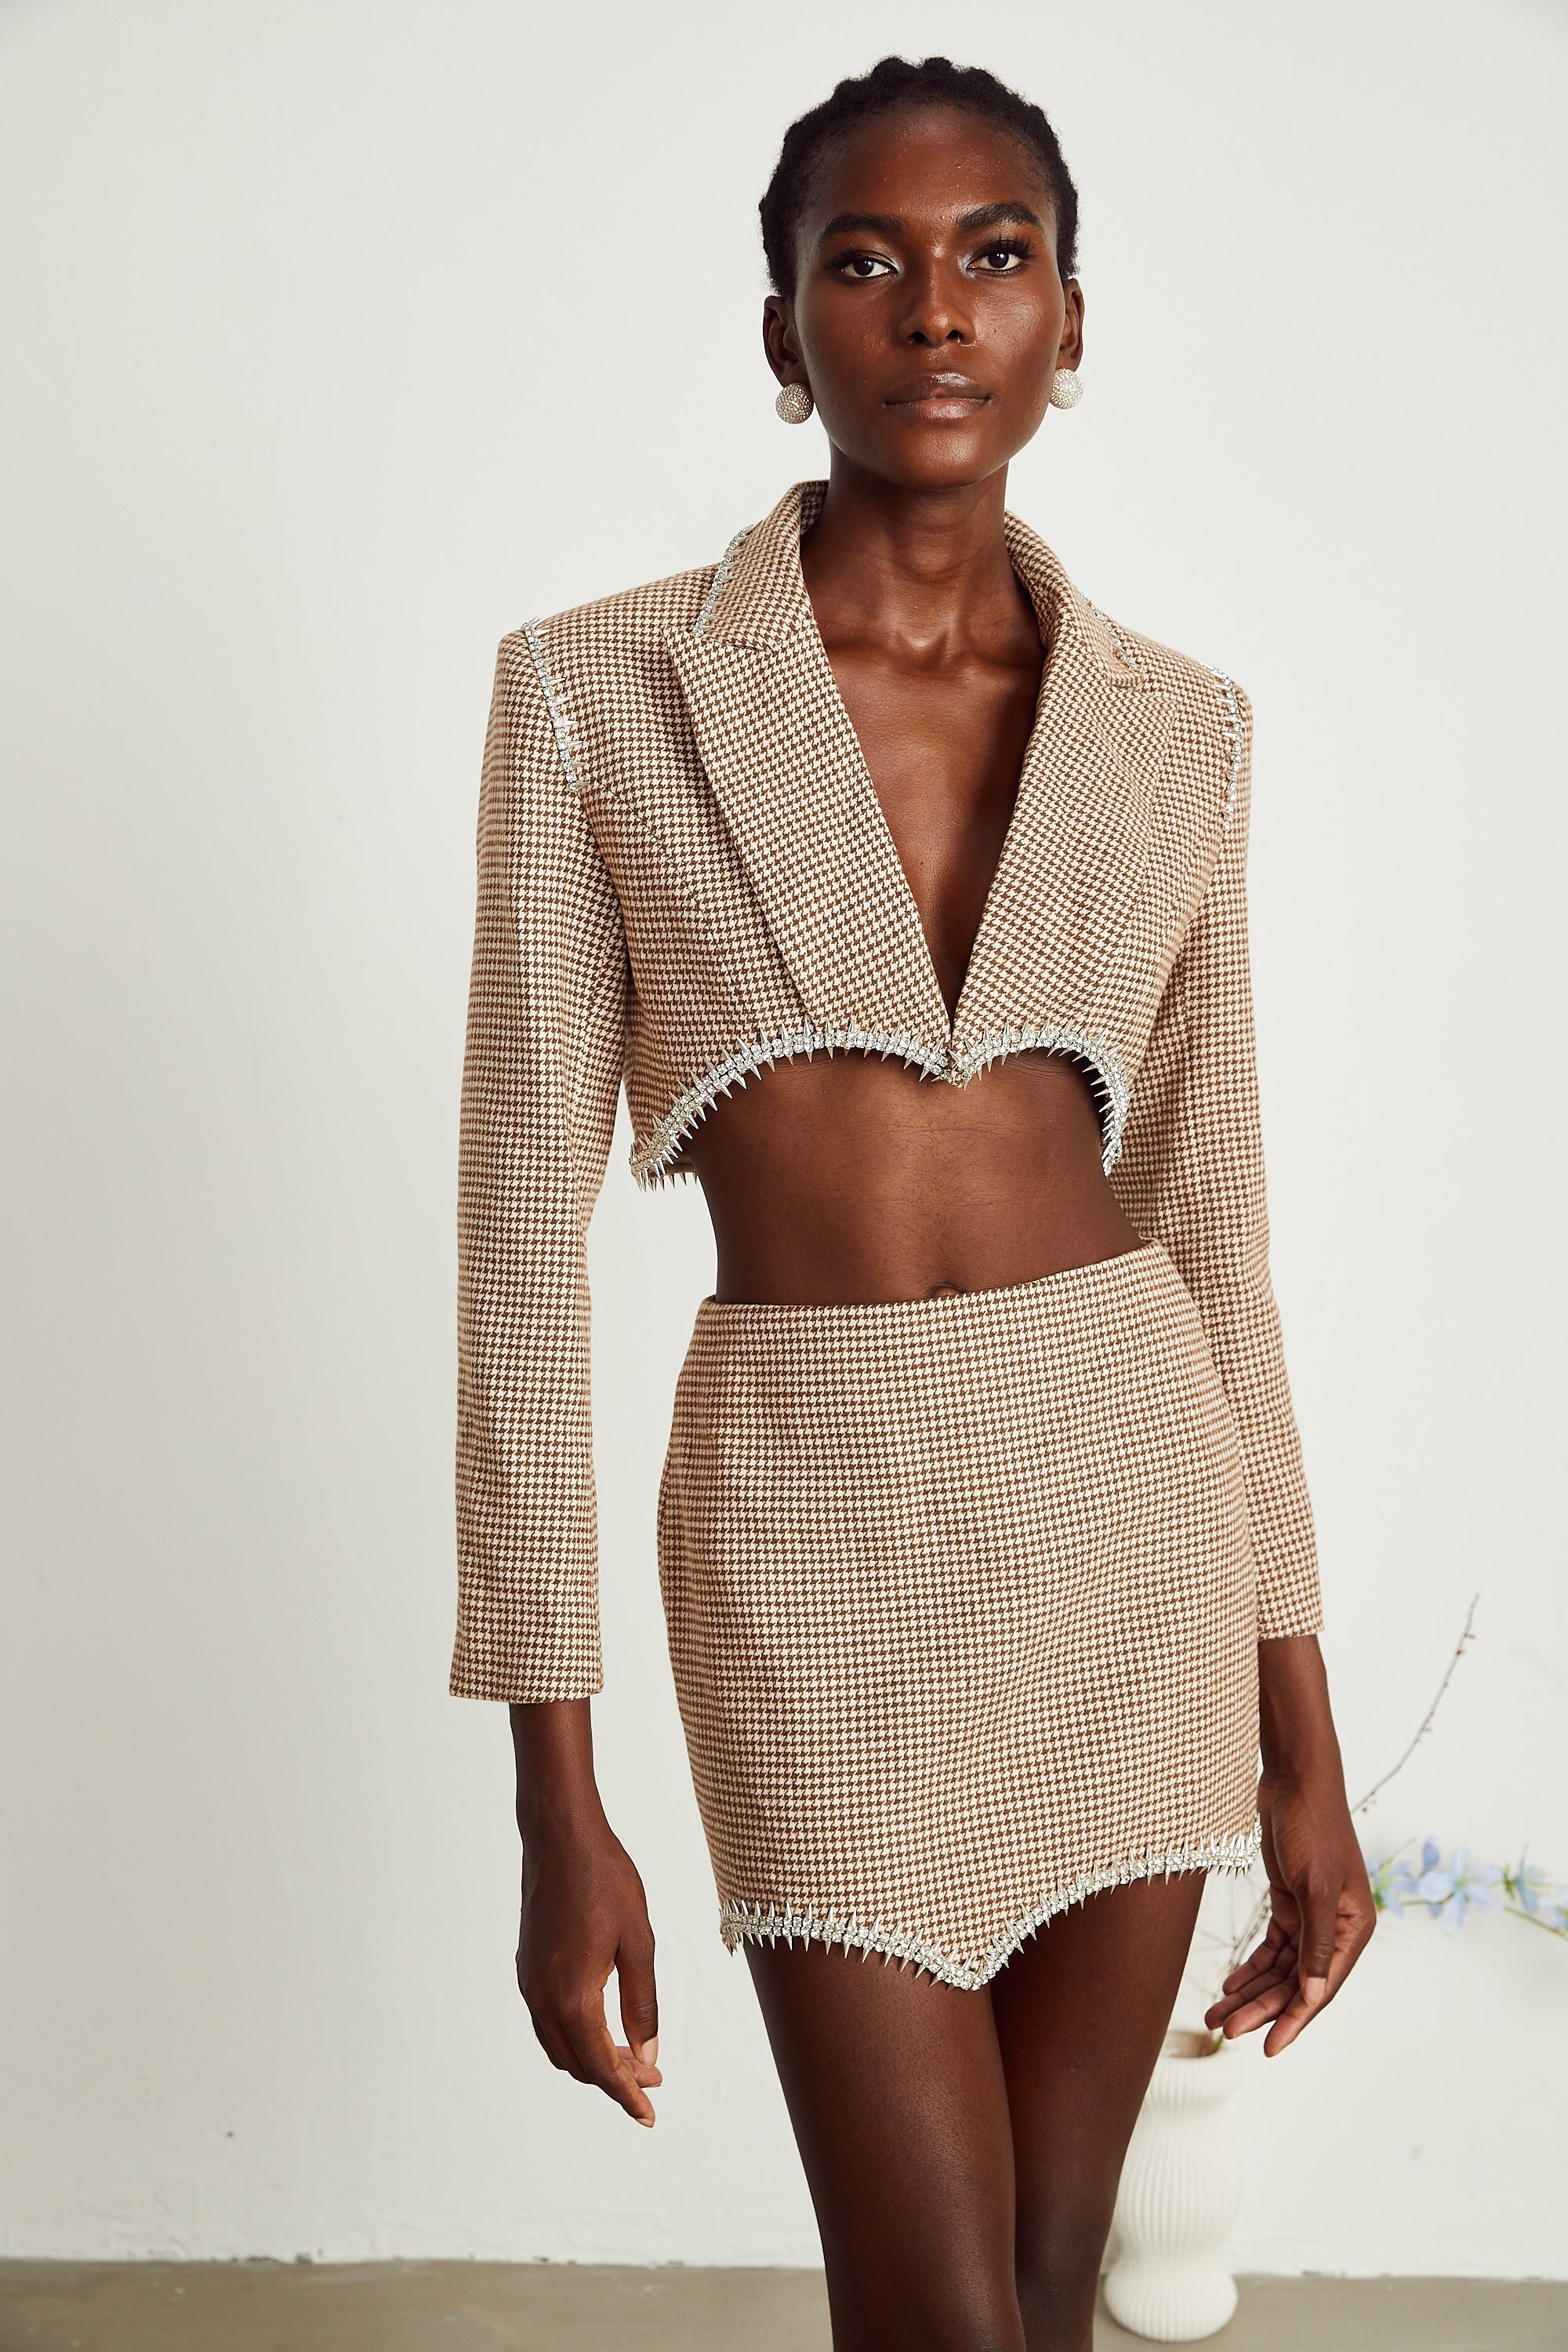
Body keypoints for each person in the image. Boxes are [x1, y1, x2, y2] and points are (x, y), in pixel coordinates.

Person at [452, 54, 1374, 2352]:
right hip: (808, 1521)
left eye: (995, 257)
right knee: (935, 2311)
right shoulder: (596, 696)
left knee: (1049, 2293)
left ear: (1070, 319)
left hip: (1127, 1500)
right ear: (784, 335)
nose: (936, 310)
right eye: (865, 262)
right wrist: (556, 1794)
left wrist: (1307, 1743)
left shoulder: (1176, 726)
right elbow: (513, 1259)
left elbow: (1216, 1237)